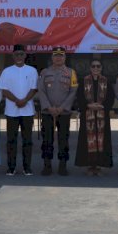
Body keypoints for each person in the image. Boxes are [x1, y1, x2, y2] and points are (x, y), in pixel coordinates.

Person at [0, 45, 38, 176]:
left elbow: (34, 88)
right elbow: (4, 89)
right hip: (12, 111)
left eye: (21, 54)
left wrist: (25, 100)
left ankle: (27, 167)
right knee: (11, 141)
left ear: (25, 55)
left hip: (27, 111)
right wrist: (17, 100)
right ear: (13, 56)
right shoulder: (7, 71)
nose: (19, 57)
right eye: (16, 54)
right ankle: (11, 167)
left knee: (27, 141)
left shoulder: (32, 70)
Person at [37, 47, 78, 176]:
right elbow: (41, 90)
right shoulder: (45, 72)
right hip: (47, 112)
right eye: (56, 55)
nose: (58, 58)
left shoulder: (71, 73)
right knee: (47, 139)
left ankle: (62, 165)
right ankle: (47, 165)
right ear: (52, 58)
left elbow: (73, 91)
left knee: (63, 139)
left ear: (65, 58)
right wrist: (48, 107)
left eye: (61, 56)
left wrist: (63, 107)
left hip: (64, 112)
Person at [75, 59, 114, 175]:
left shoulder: (107, 81)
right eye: (93, 66)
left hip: (102, 115)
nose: (96, 68)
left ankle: (99, 164)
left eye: (98, 66)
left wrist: (101, 106)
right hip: (87, 115)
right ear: (90, 68)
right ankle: (90, 165)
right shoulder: (84, 81)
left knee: (102, 140)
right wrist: (88, 105)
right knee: (87, 140)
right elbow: (79, 97)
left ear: (101, 68)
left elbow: (111, 98)